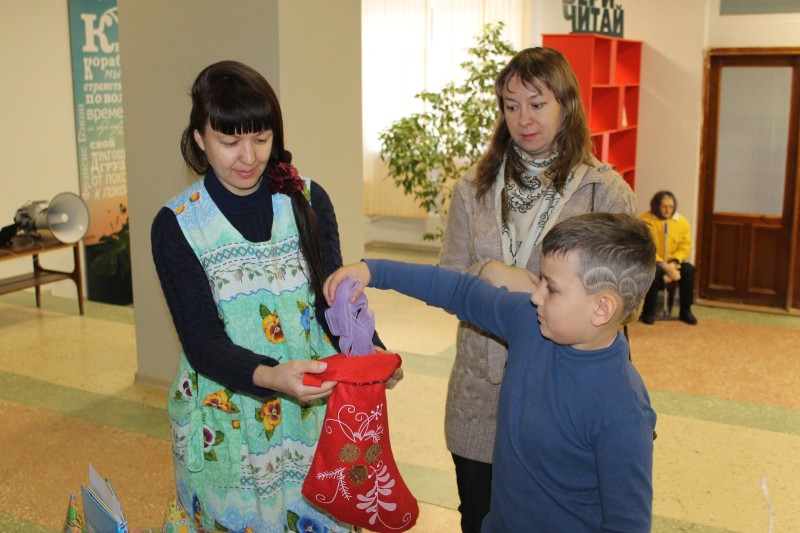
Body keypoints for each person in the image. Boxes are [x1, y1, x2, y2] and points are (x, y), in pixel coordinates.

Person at [151, 60, 398, 533]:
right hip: (229, 418)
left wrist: (372, 355)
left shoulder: (306, 199)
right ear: (200, 138)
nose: (248, 157)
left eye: (261, 139)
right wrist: (271, 376)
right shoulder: (179, 225)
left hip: (313, 406)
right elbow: (201, 340)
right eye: (229, 142)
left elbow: (332, 303)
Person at [324, 212, 657, 532]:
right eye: (540, 280)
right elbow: (460, 292)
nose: (536, 296)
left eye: (552, 288)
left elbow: (627, 524)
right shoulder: (529, 322)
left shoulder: (623, 412)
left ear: (602, 308)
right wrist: (374, 270)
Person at [437, 46, 637, 531]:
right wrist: (487, 272)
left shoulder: (603, 192)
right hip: (480, 393)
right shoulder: (472, 189)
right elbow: (449, 280)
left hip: (563, 395)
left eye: (537, 103)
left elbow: (627, 298)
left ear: (566, 105)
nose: (523, 119)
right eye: (511, 106)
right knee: (478, 515)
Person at [639, 190, 698, 325]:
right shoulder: (645, 221)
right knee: (655, 271)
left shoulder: (682, 222)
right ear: (656, 206)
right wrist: (663, 264)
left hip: (673, 262)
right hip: (653, 261)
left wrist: (674, 262)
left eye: (671, 207)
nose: (668, 210)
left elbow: (685, 246)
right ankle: (648, 312)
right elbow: (644, 246)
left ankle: (686, 311)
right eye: (664, 206)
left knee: (688, 269)